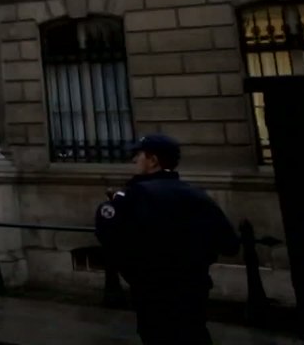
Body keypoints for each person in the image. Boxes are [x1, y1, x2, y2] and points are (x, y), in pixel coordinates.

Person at [95, 134, 239, 345]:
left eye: (139, 155)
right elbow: (229, 244)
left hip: (153, 292)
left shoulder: (134, 196)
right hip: (193, 289)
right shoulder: (196, 195)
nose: (134, 160)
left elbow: (109, 236)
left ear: (153, 161)